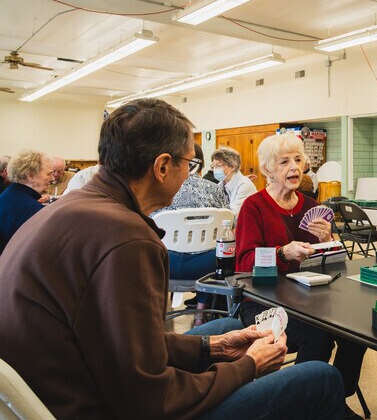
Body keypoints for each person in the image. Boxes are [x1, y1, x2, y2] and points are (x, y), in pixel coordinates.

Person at [0, 99, 344, 420]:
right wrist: (247, 368)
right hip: (106, 405)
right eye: (189, 164)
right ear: (163, 166)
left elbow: (125, 339)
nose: (190, 175)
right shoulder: (127, 239)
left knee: (229, 329)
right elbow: (150, 398)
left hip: (73, 380)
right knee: (321, 376)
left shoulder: (73, 207)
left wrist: (212, 348)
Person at [236, 133, 367, 420]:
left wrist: (330, 241)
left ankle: (332, 397)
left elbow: (334, 265)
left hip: (309, 298)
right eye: (284, 162)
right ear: (268, 170)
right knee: (316, 336)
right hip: (262, 300)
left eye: (298, 160)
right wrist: (283, 253)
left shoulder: (310, 206)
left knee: (358, 331)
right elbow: (244, 263)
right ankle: (304, 405)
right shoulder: (253, 206)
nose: (294, 167)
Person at [151, 143, 229, 326]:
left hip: (164, 264)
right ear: (200, 164)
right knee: (215, 250)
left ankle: (158, 311)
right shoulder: (215, 189)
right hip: (206, 265)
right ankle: (201, 312)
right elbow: (228, 222)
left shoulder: (161, 188)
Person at [0, 150, 52, 254]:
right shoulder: (33, 211)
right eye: (48, 174)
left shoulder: (8, 195)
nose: (51, 178)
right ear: (30, 176)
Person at [211, 146, 257, 218]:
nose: (215, 169)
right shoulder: (221, 184)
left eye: (218, 166)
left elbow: (233, 215)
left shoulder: (244, 185)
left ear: (232, 167)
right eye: (213, 166)